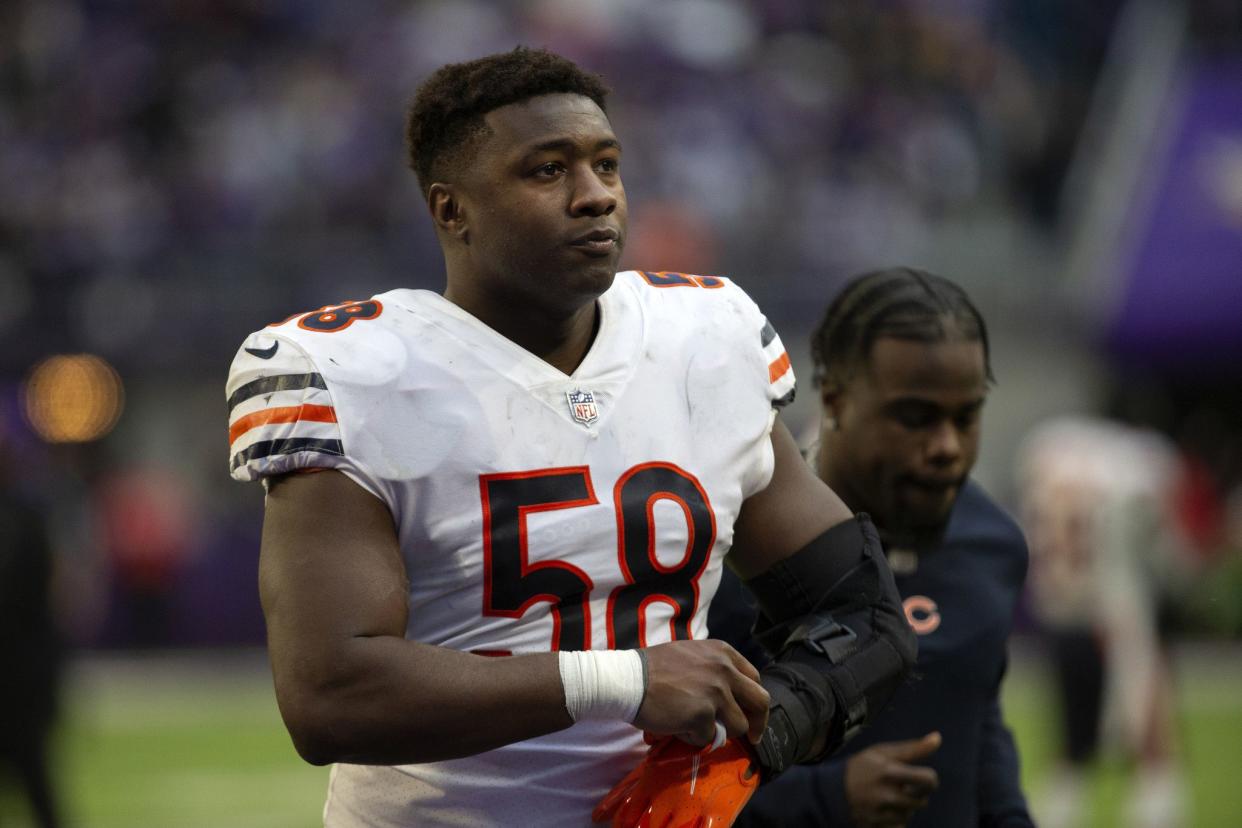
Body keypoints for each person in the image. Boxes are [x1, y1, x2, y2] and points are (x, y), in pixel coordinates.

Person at [225, 48, 916, 827]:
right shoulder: (357, 372)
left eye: (608, 165)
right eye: (547, 171)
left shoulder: (702, 338)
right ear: (451, 210)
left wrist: (758, 736)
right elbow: (330, 696)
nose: (596, 198)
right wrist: (621, 682)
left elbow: (865, 616)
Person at [713, 267, 1034, 827]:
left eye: (967, 416)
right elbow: (649, 780)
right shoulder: (734, 556)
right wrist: (825, 800)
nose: (947, 447)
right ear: (834, 398)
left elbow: (979, 726)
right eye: (915, 418)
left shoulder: (994, 547)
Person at [1016, 415, 1189, 828]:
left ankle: (1067, 806)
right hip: (1117, 609)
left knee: (1073, 733)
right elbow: (1163, 546)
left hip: (1062, 608)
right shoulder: (1134, 469)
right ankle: (1155, 804)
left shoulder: (1048, 458)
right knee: (1144, 723)